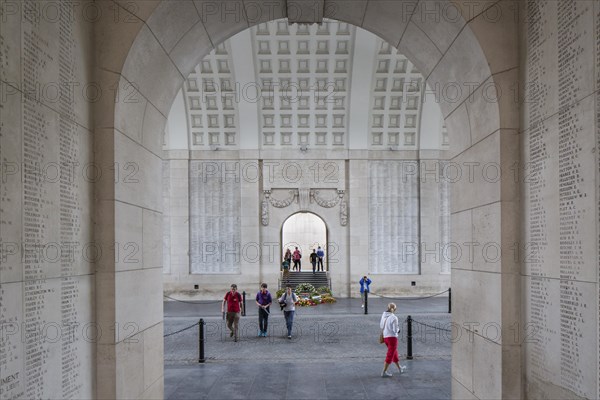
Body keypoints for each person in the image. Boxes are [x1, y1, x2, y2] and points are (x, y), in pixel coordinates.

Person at [380, 303, 406, 377]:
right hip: (392, 338)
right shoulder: (394, 317)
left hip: (385, 337)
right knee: (390, 354)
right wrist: (398, 330)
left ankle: (399, 368)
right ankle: (384, 372)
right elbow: (395, 330)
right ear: (394, 309)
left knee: (394, 353)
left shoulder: (384, 315)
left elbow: (381, 325)